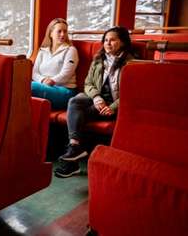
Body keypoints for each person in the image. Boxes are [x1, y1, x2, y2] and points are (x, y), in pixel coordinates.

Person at [54, 26, 136, 178]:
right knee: (74, 102)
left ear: (123, 42)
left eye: (112, 40)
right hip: (97, 101)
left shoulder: (131, 64)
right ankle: (74, 148)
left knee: (78, 115)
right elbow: (88, 84)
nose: (108, 43)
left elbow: (132, 92)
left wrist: (112, 107)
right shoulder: (99, 59)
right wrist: (97, 98)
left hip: (117, 105)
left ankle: (72, 162)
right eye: (105, 40)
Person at [32, 18, 79, 109]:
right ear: (51, 33)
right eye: (59, 31)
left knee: (30, 86)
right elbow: (34, 72)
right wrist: (42, 80)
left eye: (65, 31)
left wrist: (52, 81)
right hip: (44, 86)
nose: (63, 34)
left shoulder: (70, 50)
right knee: (22, 86)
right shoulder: (42, 51)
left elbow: (66, 74)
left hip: (65, 91)